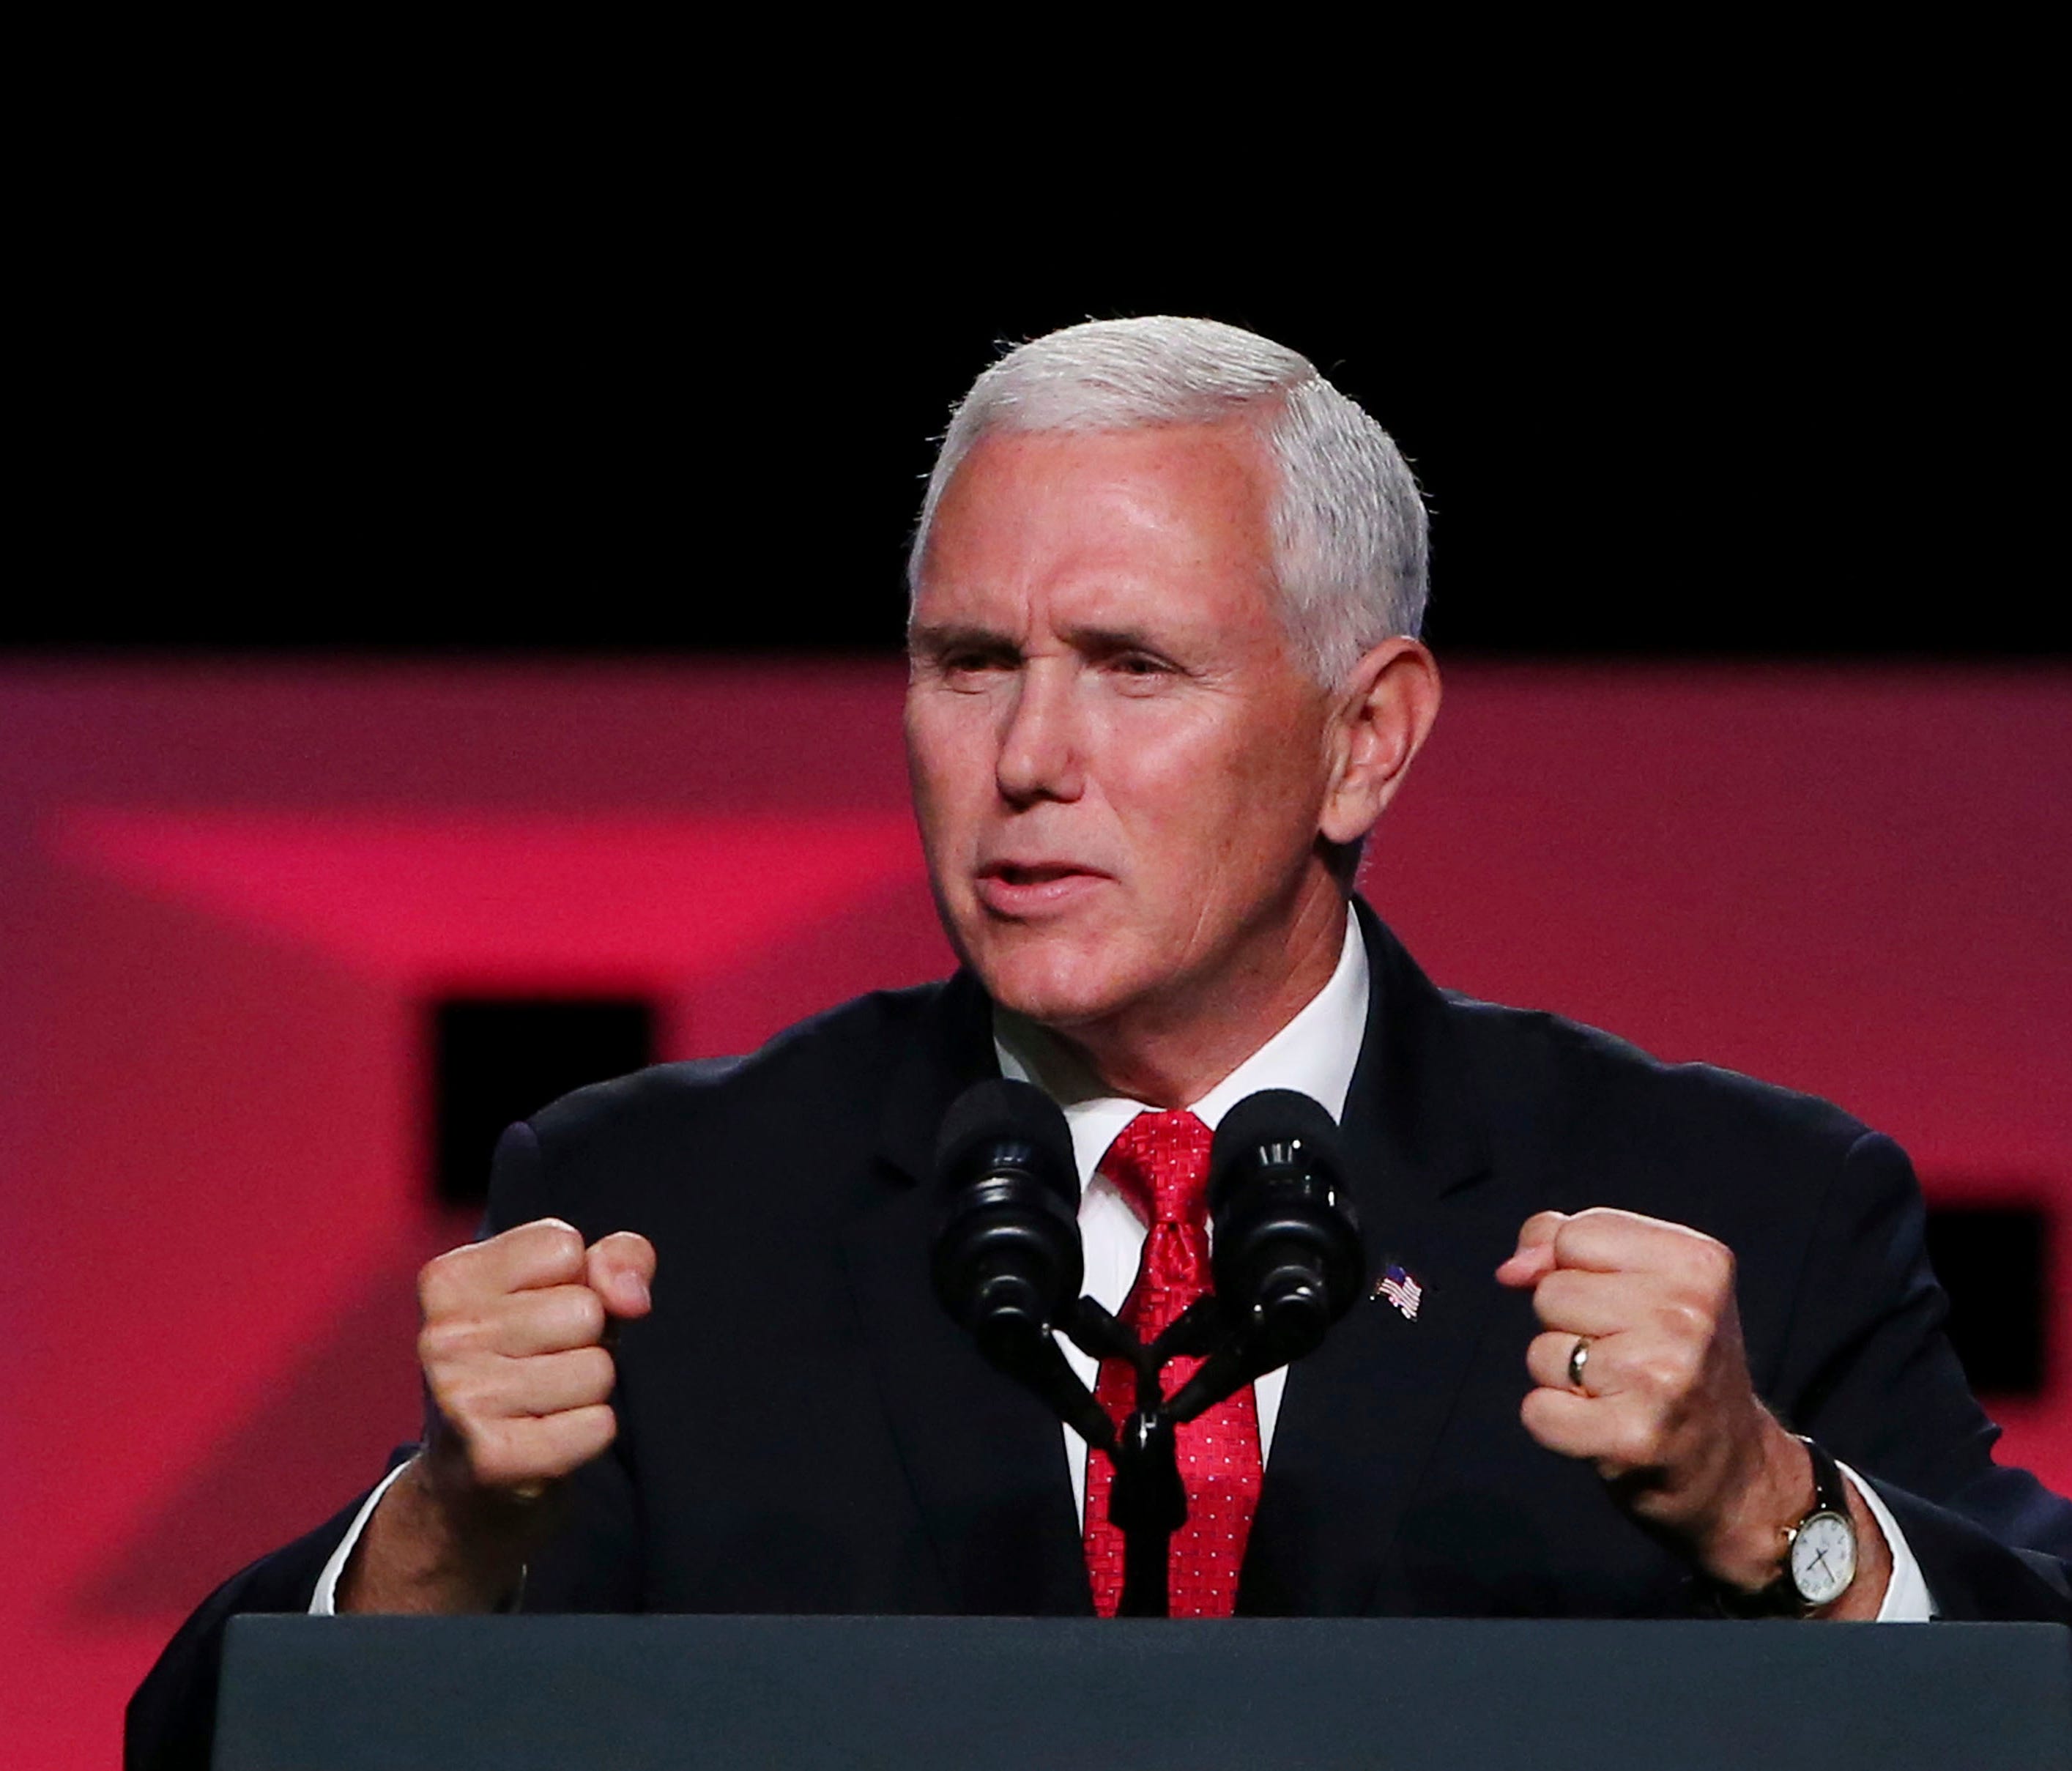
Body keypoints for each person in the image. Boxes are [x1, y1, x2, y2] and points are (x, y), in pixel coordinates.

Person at [129, 317, 2072, 1764]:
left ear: (1365, 736)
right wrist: (447, 1534)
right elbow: (203, 1743)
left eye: (1134, 667)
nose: (1029, 758)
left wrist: (1775, 1512)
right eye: (971, 664)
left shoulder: (1747, 1207)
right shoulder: (663, 1210)